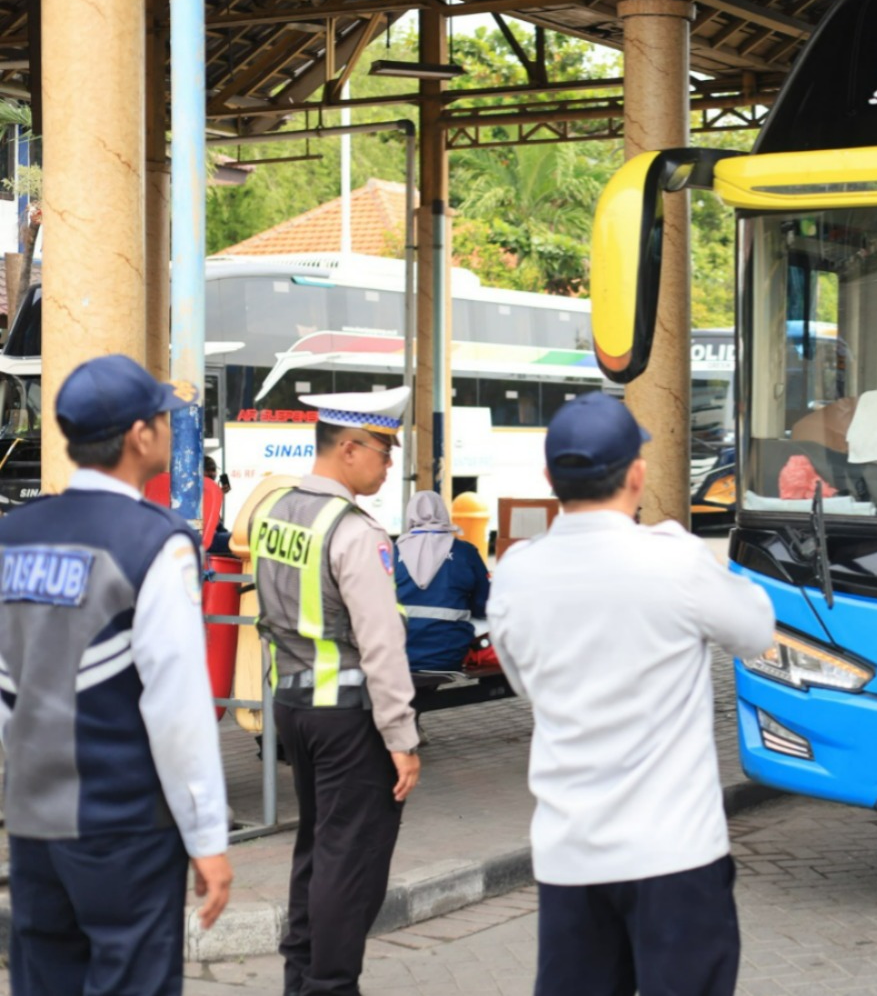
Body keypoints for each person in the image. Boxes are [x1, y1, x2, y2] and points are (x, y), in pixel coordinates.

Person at [488, 392, 775, 996]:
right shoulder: (674, 562)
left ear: (550, 479)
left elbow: (522, 681)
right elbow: (755, 633)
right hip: (675, 854)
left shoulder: (516, 573)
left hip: (570, 855)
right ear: (637, 475)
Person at [0, 354, 232, 995]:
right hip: (125, 830)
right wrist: (207, 838)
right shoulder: (154, 541)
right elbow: (178, 710)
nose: (168, 426)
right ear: (138, 435)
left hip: (34, 824)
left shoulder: (14, 534)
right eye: (162, 416)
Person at [246, 386, 420, 996]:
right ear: (348, 449)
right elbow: (381, 643)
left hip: (294, 708)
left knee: (317, 851)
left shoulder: (274, 511)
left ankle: (301, 978)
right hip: (348, 717)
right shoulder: (354, 531)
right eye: (383, 451)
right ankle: (330, 986)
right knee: (351, 865)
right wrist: (401, 737)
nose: (389, 465)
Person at [396, 490, 491, 672]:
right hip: (449, 654)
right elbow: (484, 604)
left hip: (398, 655)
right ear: (443, 512)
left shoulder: (392, 553)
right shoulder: (465, 552)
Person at [204, 455, 235, 556]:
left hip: (215, 533)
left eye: (213, 470)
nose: (212, 474)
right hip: (207, 538)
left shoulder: (213, 491)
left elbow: (217, 525)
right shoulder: (198, 490)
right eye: (208, 470)